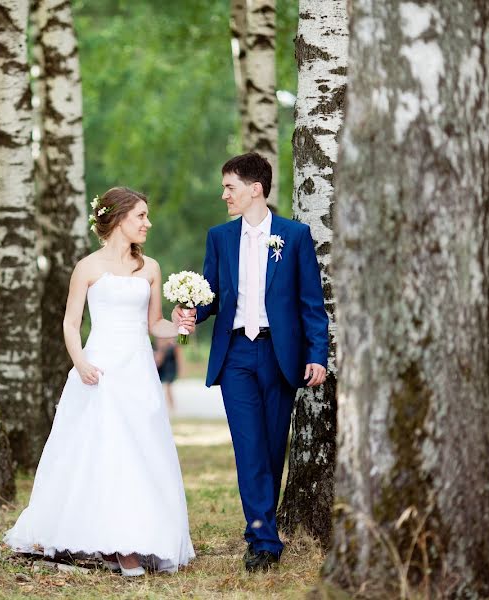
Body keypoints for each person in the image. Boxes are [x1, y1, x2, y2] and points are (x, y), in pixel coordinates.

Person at [4, 187, 195, 576]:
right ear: (120, 218)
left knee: (140, 452)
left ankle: (135, 537)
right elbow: (71, 323)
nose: (147, 223)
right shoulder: (88, 267)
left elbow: (153, 324)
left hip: (138, 369)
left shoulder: (151, 268)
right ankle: (118, 547)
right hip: (100, 369)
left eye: (147, 215)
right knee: (104, 452)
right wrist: (81, 362)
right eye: (141, 216)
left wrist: (177, 328)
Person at [175, 153, 328, 573]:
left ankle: (264, 526)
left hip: (281, 356)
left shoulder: (295, 236)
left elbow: (311, 306)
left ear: (255, 188)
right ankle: (262, 538)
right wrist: (190, 310)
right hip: (237, 354)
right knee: (248, 447)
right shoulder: (219, 238)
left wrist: (317, 355)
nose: (224, 194)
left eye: (230, 186)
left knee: (273, 445)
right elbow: (212, 297)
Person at [153, 339, 180, 414]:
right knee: (160, 388)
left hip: (170, 369)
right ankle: (166, 407)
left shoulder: (173, 344)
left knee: (168, 388)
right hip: (162, 368)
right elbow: (158, 359)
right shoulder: (159, 341)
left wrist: (180, 370)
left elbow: (178, 357)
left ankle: (172, 407)